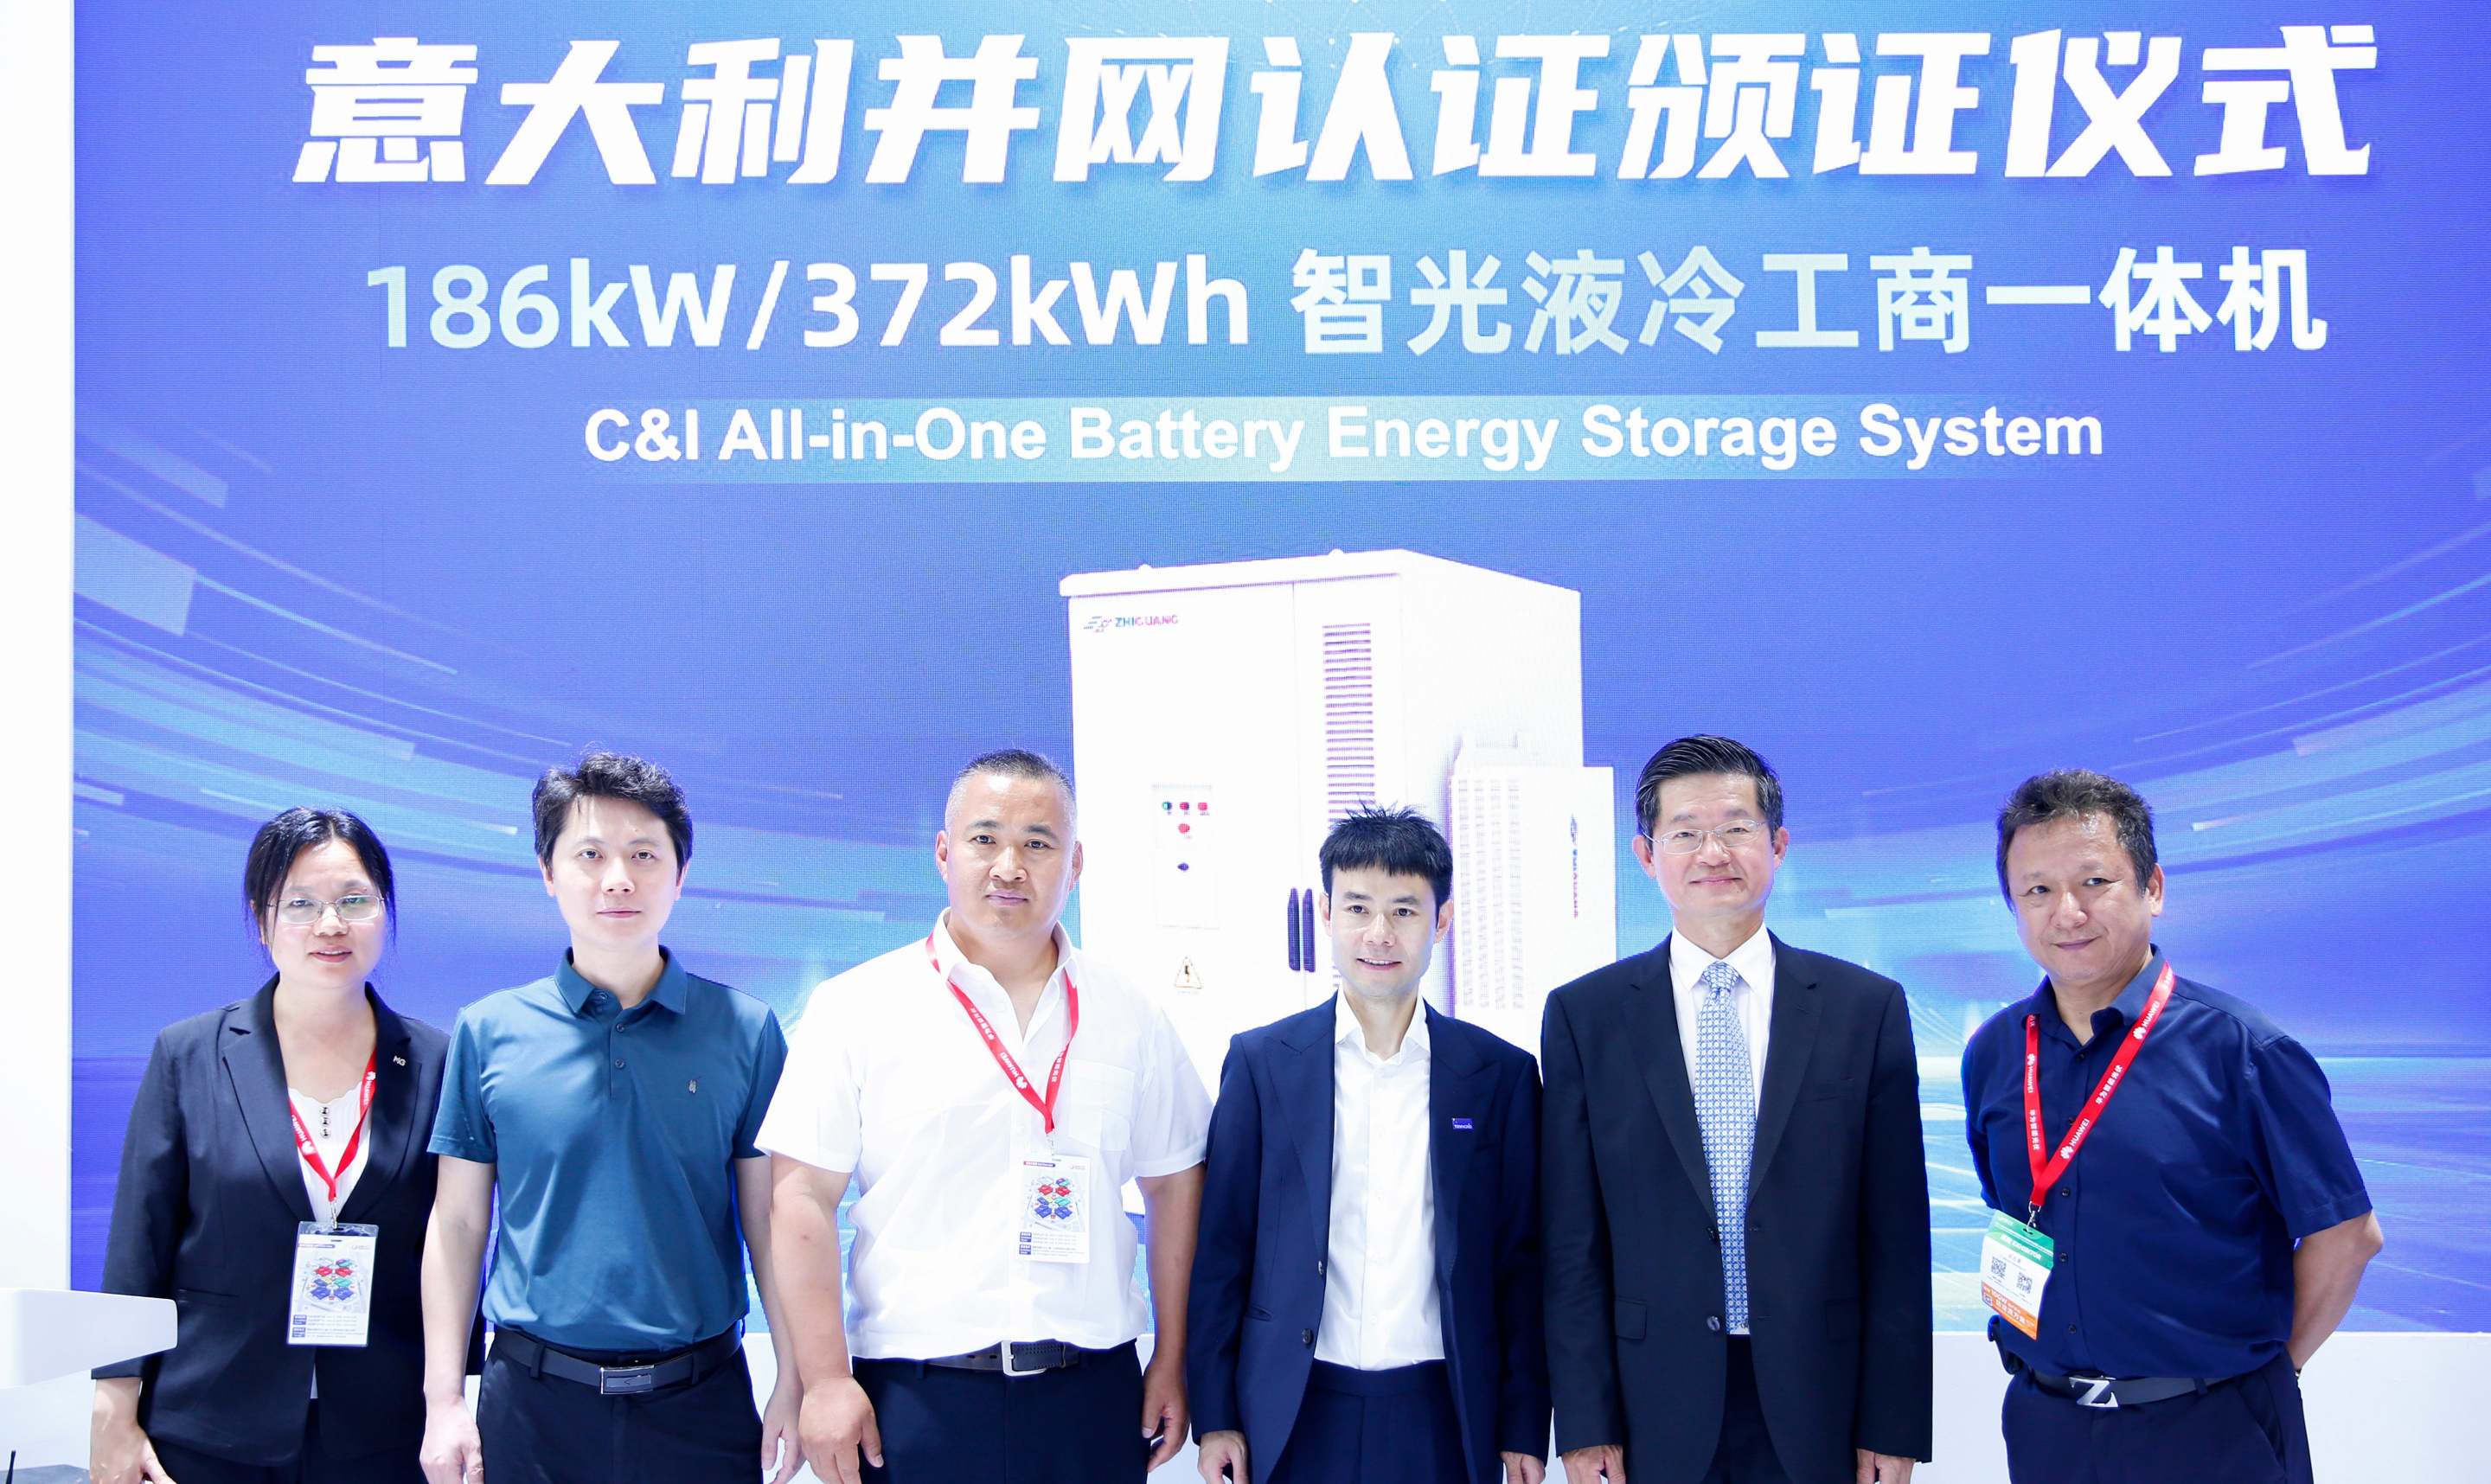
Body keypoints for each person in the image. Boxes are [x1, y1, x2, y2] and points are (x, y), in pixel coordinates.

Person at [761, 748, 1211, 1484]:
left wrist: (1172, 1355)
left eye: (1038, 843)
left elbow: (1176, 1183)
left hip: (1091, 1398)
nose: (1010, 866)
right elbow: (801, 1195)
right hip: (915, 1402)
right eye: (985, 839)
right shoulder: (856, 1008)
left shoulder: (1130, 1014)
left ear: (1075, 863)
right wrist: (826, 1379)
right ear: (944, 853)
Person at [1962, 769, 2382, 1484]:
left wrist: (2263, 1374)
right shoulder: (1997, 1052)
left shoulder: (2243, 1051)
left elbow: (2347, 1234)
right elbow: (2016, 1209)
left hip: (2211, 1433)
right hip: (2046, 1427)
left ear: (2153, 887)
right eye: (2037, 890)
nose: (2067, 912)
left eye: (2095, 882)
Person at [1541, 735, 1931, 1484]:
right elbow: (1571, 1244)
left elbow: (1897, 1238)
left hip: (1820, 1399)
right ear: (1646, 855)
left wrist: (1893, 1424)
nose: (1712, 852)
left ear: (1778, 845)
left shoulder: (1864, 1009)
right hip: (1652, 1404)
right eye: (1685, 833)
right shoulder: (1586, 1018)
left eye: (1736, 828)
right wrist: (1585, 1425)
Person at [418, 752, 797, 1484]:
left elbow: (772, 1221)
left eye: (644, 855)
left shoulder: (745, 1030)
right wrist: (443, 1400)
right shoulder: (488, 1030)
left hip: (701, 1404)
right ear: (548, 872)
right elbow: (458, 1222)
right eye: (590, 854)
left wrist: (797, 1374)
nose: (617, 878)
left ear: (681, 874)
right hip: (531, 1409)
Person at [93, 808, 472, 1484]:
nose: (330, 924)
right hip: (211, 1423)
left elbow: (460, 1240)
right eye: (300, 904)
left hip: (385, 1433)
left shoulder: (440, 1063)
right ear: (262, 919)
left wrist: (456, 1401)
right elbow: (137, 1245)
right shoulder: (190, 1054)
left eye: (354, 900)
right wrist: (113, 1407)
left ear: (385, 911)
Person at [1189, 806, 1549, 1484]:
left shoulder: (1499, 1076)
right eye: (1357, 908)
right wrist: (1216, 1417)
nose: (1379, 933)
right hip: (1295, 1407)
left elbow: (1521, 1264)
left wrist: (1523, 1424)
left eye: (1404, 911)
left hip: (1442, 1410)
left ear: (1441, 921)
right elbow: (1222, 1250)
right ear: (1326, 914)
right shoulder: (1263, 1064)